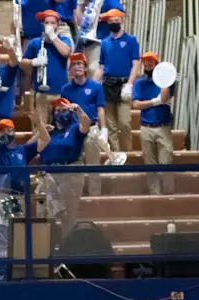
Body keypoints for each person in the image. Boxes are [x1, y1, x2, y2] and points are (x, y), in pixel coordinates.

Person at [38, 98, 91, 232]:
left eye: (64, 110)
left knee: (67, 213)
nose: (61, 113)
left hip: (70, 171)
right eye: (58, 110)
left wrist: (78, 109)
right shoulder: (49, 131)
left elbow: (86, 124)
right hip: (49, 174)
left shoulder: (74, 128)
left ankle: (67, 242)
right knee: (44, 212)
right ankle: (47, 242)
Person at [61, 51, 107, 197]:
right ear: (70, 70)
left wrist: (104, 130)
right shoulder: (65, 90)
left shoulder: (96, 86)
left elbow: (100, 109)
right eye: (73, 64)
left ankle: (95, 196)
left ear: (85, 67)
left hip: (92, 128)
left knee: (94, 164)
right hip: (74, 130)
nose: (77, 67)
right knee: (76, 165)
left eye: (80, 63)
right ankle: (76, 196)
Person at [0, 109, 49, 205]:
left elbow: (45, 139)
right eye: (1, 131)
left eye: (8, 130)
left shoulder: (22, 150)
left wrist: (39, 123)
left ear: (14, 132)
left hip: (18, 195)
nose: (4, 133)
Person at [95, 8, 139, 154]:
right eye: (111, 21)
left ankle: (127, 154)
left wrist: (130, 84)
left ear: (122, 21)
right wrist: (94, 83)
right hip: (108, 85)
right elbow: (101, 67)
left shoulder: (131, 40)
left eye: (116, 20)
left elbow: (136, 64)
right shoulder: (104, 43)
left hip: (124, 85)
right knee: (111, 125)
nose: (114, 23)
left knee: (124, 123)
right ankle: (115, 155)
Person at [132, 51, 174, 196]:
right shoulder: (139, 82)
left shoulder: (168, 80)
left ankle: (168, 195)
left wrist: (164, 79)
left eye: (150, 61)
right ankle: (155, 195)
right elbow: (136, 104)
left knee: (166, 164)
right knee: (150, 166)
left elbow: (164, 97)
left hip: (163, 127)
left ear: (156, 63)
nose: (148, 64)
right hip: (146, 127)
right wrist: (154, 102)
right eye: (145, 61)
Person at [21, 9, 72, 123]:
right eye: (46, 23)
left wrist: (53, 36)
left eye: (52, 23)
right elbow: (22, 62)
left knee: (60, 125)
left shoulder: (65, 40)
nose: (49, 26)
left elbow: (66, 52)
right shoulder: (35, 42)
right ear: (42, 25)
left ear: (58, 25)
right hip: (40, 93)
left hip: (60, 93)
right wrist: (34, 62)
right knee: (40, 127)